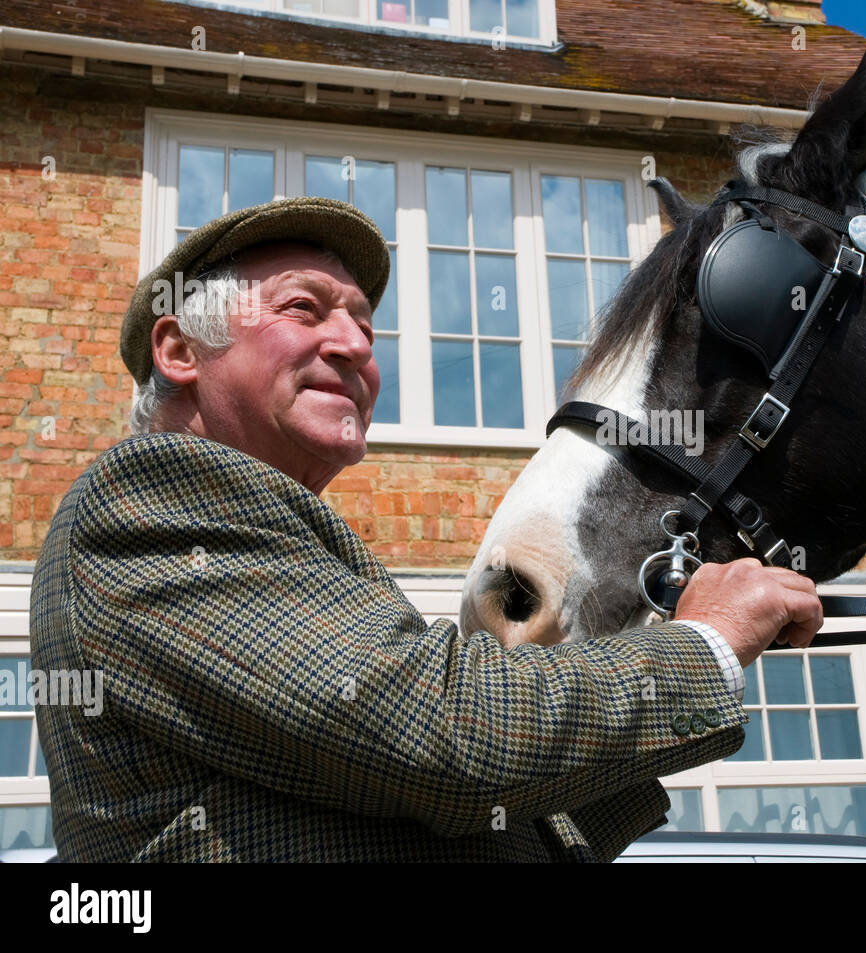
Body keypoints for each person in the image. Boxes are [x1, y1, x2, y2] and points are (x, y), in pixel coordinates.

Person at [30, 197, 822, 862]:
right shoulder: (153, 496)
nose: (354, 346)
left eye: (367, 327)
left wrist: (673, 656)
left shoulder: (267, 540)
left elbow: (466, 812)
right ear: (179, 348)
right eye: (303, 308)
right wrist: (701, 649)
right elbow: (448, 735)